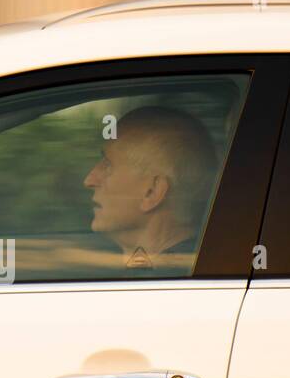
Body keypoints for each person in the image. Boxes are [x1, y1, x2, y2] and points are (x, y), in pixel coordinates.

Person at [82, 106, 218, 270]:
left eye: (108, 165)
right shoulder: (194, 271)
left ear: (152, 192)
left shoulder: (166, 286)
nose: (89, 180)